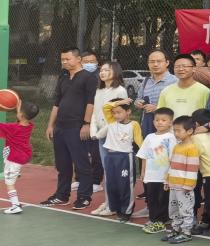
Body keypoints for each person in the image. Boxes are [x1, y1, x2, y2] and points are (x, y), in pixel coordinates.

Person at [43, 47, 97, 208]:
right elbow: (57, 103)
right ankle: (62, 195)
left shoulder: (89, 77)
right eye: (62, 59)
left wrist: (86, 124)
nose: (64, 62)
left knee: (82, 164)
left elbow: (91, 102)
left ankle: (84, 197)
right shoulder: (63, 77)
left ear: (78, 59)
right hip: (60, 128)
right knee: (63, 165)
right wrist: (50, 125)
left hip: (77, 127)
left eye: (68, 59)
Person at [88, 63, 128, 216]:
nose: (103, 72)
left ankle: (114, 205)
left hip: (113, 135)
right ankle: (109, 201)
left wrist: (100, 133)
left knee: (113, 171)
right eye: (102, 70)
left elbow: (118, 115)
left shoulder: (120, 90)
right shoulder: (99, 90)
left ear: (116, 72)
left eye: (107, 70)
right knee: (107, 169)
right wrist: (93, 130)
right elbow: (96, 112)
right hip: (101, 134)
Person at [95, 100, 144, 222]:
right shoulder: (112, 121)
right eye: (114, 113)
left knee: (125, 185)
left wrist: (145, 155)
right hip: (110, 157)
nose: (116, 115)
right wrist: (120, 102)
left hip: (125, 157)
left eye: (119, 112)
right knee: (112, 185)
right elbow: (105, 107)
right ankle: (116, 209)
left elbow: (139, 141)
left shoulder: (134, 124)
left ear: (128, 111)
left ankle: (126, 211)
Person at [136, 107, 174, 233]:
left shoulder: (171, 137)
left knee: (163, 199)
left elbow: (172, 158)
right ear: (153, 122)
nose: (160, 122)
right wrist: (143, 172)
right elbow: (144, 156)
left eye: (163, 120)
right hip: (150, 176)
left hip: (164, 177)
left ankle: (160, 222)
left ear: (170, 122)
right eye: (157, 120)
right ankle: (154, 219)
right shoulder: (149, 137)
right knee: (152, 199)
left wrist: (170, 175)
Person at [166, 115, 201, 244]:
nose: (176, 133)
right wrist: (167, 180)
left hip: (184, 187)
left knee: (185, 209)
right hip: (174, 185)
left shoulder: (191, 148)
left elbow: (192, 169)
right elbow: (172, 165)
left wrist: (188, 185)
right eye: (174, 130)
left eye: (178, 130)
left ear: (190, 131)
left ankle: (186, 232)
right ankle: (176, 229)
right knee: (174, 209)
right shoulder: (177, 146)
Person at [1, 97, 39, 214]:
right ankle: (15, 172)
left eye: (18, 111)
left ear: (21, 115)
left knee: (9, 183)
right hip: (22, 155)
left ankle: (15, 205)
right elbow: (20, 121)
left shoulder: (12, 128)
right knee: (6, 153)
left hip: (14, 158)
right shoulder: (29, 126)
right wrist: (19, 110)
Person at [134, 50, 177, 137]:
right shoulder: (146, 81)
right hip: (147, 126)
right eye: (152, 62)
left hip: (168, 130)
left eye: (159, 61)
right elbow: (138, 98)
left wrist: (157, 108)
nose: (155, 64)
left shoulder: (175, 81)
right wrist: (137, 103)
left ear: (167, 63)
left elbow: (179, 105)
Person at [157, 54, 210, 119]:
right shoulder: (166, 91)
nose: (181, 69)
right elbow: (160, 115)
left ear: (194, 68)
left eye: (184, 66)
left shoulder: (205, 91)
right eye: (177, 67)